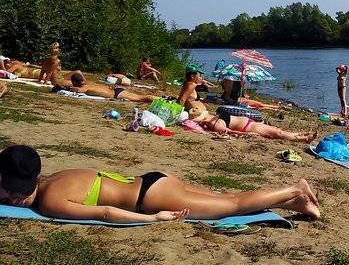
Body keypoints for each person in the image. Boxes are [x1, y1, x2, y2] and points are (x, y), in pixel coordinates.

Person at [0, 144, 320, 221]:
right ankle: (290, 201)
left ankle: (295, 189)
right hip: (154, 181)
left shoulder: (51, 202)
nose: (15, 198)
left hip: (151, 199)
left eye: (16, 192)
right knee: (230, 198)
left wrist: (152, 219)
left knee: (231, 207)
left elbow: (107, 213)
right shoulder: (57, 177)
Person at [188, 107, 318, 143]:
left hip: (250, 123)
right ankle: (303, 138)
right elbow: (230, 132)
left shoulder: (213, 117)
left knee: (278, 130)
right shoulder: (216, 125)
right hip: (249, 127)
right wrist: (247, 134)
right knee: (278, 133)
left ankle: (301, 135)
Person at [53, 71, 159, 103]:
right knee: (141, 96)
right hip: (116, 90)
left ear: (75, 83)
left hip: (116, 93)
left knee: (142, 98)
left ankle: (163, 100)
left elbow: (76, 90)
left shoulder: (83, 88)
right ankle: (164, 99)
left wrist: (63, 88)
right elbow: (77, 73)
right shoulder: (89, 83)